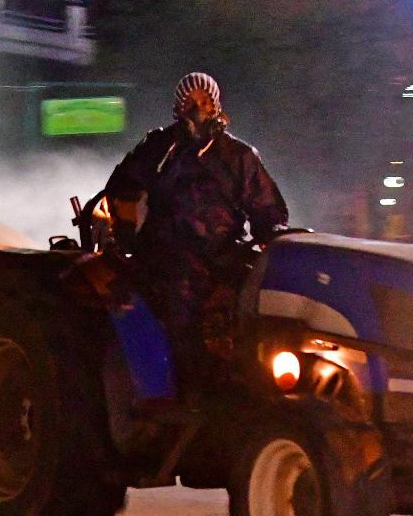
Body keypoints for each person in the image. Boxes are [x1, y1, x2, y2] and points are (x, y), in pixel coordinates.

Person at [104, 72, 288, 398]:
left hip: (222, 254)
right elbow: (122, 186)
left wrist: (273, 240)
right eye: (191, 102)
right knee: (180, 302)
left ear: (216, 105)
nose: (199, 109)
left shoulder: (239, 156)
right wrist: (126, 233)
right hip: (166, 253)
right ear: (179, 107)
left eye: (205, 102)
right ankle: (188, 393)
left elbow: (267, 211)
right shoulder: (160, 148)